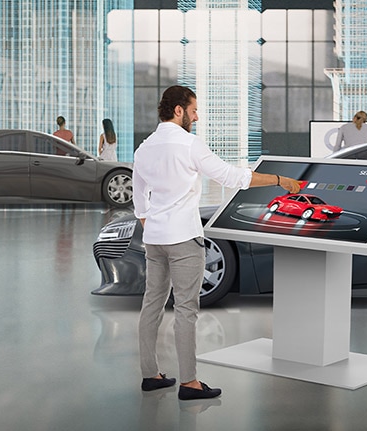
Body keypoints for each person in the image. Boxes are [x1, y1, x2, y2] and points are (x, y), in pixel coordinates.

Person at [133, 85, 301, 400]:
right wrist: (279, 180)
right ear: (178, 110)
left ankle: (150, 375)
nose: (197, 116)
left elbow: (139, 198)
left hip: (154, 241)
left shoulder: (144, 148)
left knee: (151, 305)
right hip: (184, 239)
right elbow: (231, 177)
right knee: (186, 310)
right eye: (193, 110)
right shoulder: (189, 145)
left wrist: (153, 224)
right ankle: (189, 383)